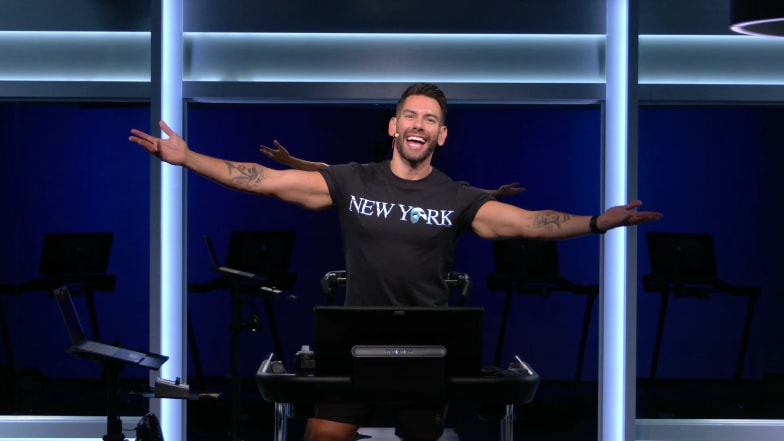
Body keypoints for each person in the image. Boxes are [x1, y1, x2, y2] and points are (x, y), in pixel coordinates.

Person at [129, 82, 662, 441]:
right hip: (352, 341)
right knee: (322, 435)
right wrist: (188, 157)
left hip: (428, 347)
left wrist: (597, 222)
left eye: (430, 119)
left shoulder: (457, 196)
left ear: (441, 135)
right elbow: (264, 180)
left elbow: (527, 223)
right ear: (393, 126)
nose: (418, 124)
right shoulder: (352, 180)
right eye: (410, 115)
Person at [260, 140, 527, 200]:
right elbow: (324, 169)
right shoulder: (367, 177)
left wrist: (497, 193)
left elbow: (461, 193)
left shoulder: (431, 185)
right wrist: (290, 161)